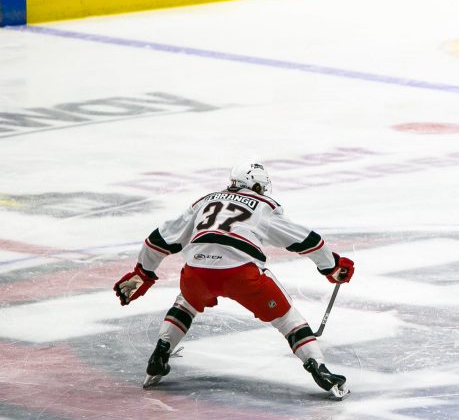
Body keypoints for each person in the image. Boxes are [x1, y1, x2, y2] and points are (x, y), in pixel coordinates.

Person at [113, 161, 355, 398]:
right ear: (258, 187)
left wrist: (142, 274)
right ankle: (319, 368)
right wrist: (331, 266)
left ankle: (161, 351)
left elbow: (158, 240)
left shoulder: (204, 201)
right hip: (241, 274)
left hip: (196, 273)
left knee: (186, 303)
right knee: (286, 318)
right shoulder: (263, 206)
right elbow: (306, 240)